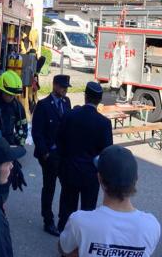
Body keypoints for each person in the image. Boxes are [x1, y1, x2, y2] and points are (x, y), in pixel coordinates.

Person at [59, 145, 160, 257]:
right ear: (136, 180)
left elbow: (64, 248)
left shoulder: (79, 222)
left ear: (99, 178)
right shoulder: (151, 225)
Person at [57, 81, 113, 232]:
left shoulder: (70, 116)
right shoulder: (104, 123)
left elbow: (60, 142)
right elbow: (106, 153)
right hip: (91, 175)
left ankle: (64, 240)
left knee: (67, 209)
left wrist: (61, 167)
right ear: (99, 100)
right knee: (88, 211)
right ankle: (83, 243)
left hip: (69, 170)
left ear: (85, 96)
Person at [32, 74, 72, 236]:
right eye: (62, 87)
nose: (64, 90)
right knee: (49, 188)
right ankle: (48, 220)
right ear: (55, 86)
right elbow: (37, 132)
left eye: (66, 87)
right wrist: (45, 153)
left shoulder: (66, 102)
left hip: (63, 154)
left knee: (67, 187)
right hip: (49, 154)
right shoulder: (43, 105)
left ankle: (64, 219)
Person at [0, 70, 28, 201]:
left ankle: (0, 208)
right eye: (9, 94)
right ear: (0, 90)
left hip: (7, 151)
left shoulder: (16, 106)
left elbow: (22, 129)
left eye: (14, 95)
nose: (12, 98)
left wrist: (16, 151)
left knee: (3, 188)